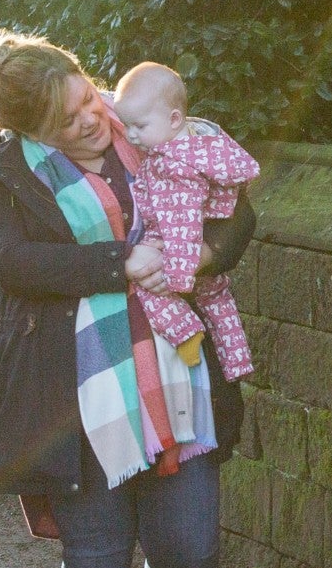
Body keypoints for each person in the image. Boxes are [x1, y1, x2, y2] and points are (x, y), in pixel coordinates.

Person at [0, 31, 253, 568]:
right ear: (30, 131)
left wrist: (200, 262)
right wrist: (116, 264)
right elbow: (7, 261)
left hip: (182, 384)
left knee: (191, 551)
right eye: (69, 120)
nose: (94, 120)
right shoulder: (5, 179)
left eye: (87, 96)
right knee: (94, 566)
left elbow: (235, 210)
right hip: (79, 399)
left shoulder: (156, 131)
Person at [108, 61, 260, 381]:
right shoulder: (201, 145)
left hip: (177, 250)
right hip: (204, 241)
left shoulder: (172, 165)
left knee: (146, 289)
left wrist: (176, 273)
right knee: (217, 298)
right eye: (127, 126)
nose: (131, 136)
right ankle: (237, 360)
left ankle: (185, 331)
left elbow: (183, 222)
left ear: (174, 119)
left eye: (139, 126)